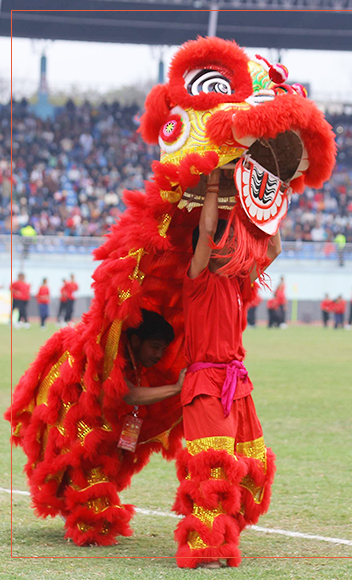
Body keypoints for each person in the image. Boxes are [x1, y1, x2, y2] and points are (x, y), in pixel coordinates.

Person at [175, 178, 279, 568]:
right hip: (206, 384)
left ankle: (223, 534)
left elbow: (274, 246)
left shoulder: (238, 280)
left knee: (253, 467)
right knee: (213, 466)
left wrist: (269, 198)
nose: (238, 248)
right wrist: (216, 186)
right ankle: (203, 546)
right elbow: (204, 232)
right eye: (231, 242)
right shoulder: (197, 279)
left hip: (237, 384)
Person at [122, 309, 187, 406]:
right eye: (155, 347)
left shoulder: (135, 360)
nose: (159, 355)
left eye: (163, 349)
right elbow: (130, 395)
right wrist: (177, 387)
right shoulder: (109, 355)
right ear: (135, 341)